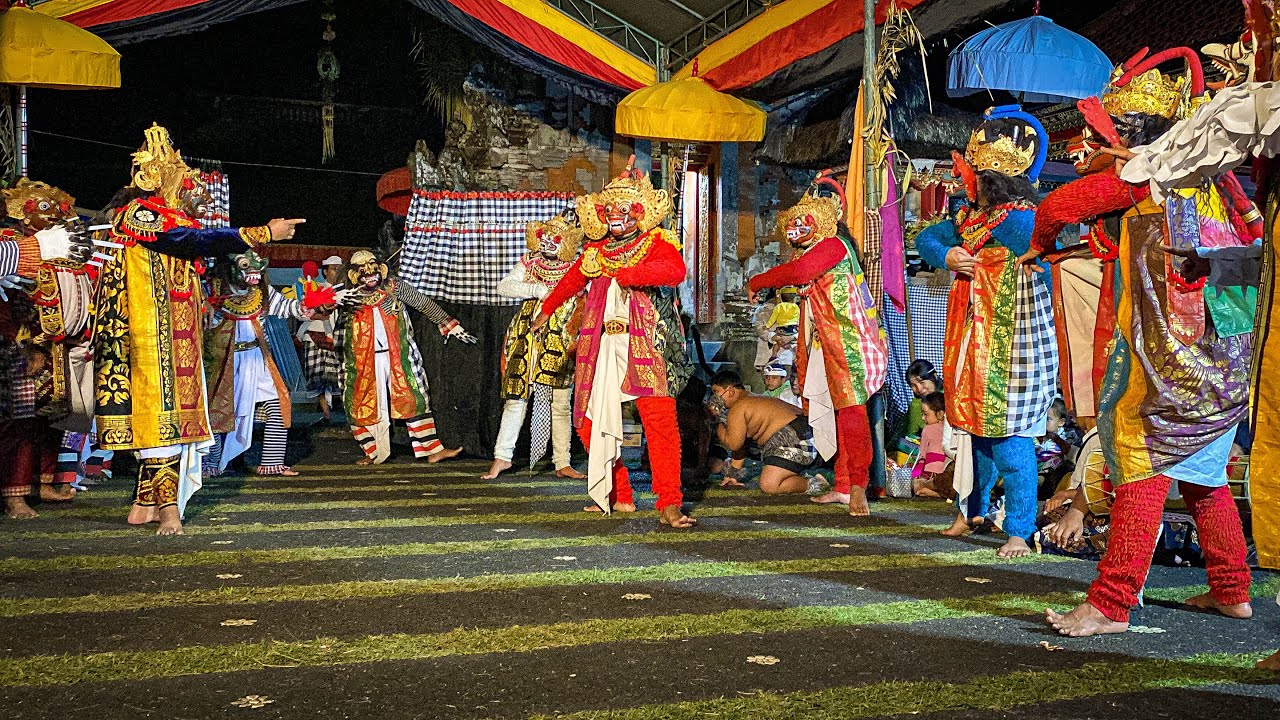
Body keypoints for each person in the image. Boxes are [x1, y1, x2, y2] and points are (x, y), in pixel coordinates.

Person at [1027, 49, 1257, 636]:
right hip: (1225, 362)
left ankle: (1111, 603)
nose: (1117, 138)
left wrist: (1043, 243)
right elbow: (1247, 264)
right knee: (1204, 476)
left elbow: (1059, 204)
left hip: (1170, 363)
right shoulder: (1226, 187)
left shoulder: (1151, 174)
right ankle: (1232, 591)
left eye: (1125, 128)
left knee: (1140, 465)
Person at [93, 124, 305, 535]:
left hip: (177, 339)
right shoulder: (141, 214)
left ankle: (143, 505)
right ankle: (170, 512)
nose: (199, 193)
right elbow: (188, 240)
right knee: (161, 422)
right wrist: (263, 233)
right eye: (190, 183)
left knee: (175, 421)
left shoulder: (164, 217)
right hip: (148, 337)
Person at [915, 107, 1058, 558]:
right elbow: (928, 240)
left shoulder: (1021, 219)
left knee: (1011, 441)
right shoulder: (967, 217)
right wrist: (949, 256)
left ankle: (1019, 528)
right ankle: (969, 510)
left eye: (977, 172)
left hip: (1013, 343)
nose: (969, 178)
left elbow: (1050, 258)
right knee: (972, 435)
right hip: (968, 339)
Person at [534, 160, 695, 528]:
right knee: (587, 420)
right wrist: (547, 309)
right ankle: (619, 492)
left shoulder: (656, 241)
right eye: (610, 211)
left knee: (659, 423)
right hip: (601, 344)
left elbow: (675, 271)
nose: (616, 217)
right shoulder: (596, 249)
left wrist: (628, 274)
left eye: (625, 210)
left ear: (639, 213)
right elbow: (574, 278)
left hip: (647, 344)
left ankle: (669, 501)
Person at [748, 185, 888, 516]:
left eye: (802, 224)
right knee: (838, 412)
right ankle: (842, 485)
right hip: (826, 341)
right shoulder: (817, 250)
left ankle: (857, 485)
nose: (795, 232)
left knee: (852, 413)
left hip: (850, 342)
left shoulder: (834, 246)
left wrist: (757, 282)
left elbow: (798, 273)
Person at [335, 249, 474, 465]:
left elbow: (423, 303)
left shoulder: (393, 287)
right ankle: (371, 451)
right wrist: (325, 302)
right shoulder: (347, 295)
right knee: (359, 401)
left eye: (373, 268)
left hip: (398, 355)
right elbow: (322, 311)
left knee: (414, 397)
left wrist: (448, 323)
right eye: (364, 271)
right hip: (362, 360)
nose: (370, 274)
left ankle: (432, 449)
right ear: (354, 275)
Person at [482, 213, 586, 481]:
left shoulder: (576, 265)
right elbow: (503, 287)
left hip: (562, 334)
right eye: (545, 237)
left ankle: (562, 461)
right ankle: (502, 456)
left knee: (560, 401)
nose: (549, 243)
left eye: (555, 238)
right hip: (526, 333)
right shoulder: (530, 262)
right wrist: (537, 289)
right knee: (517, 398)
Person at [204, 249, 317, 477]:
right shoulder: (213, 291)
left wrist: (304, 307)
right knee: (217, 412)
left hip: (257, 358)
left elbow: (287, 307)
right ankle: (210, 464)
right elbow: (206, 323)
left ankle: (272, 462)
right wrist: (209, 307)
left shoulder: (262, 292)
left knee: (278, 405)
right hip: (224, 361)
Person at [709, 370, 819, 495]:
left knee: (769, 485)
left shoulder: (739, 407)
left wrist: (715, 420)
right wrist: (732, 475)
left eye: (716, 392)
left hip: (797, 437)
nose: (714, 398)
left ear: (730, 391)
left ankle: (814, 483)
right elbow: (741, 444)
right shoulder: (751, 399)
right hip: (803, 434)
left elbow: (733, 444)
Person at [298, 257, 343, 423]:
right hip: (315, 335)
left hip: (337, 337)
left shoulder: (345, 291)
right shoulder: (316, 290)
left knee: (337, 377)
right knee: (317, 378)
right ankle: (326, 415)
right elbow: (305, 313)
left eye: (340, 268)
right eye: (333, 268)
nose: (337, 272)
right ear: (325, 271)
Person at [910, 392, 955, 499]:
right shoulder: (952, 429)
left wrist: (913, 476)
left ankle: (932, 491)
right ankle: (939, 493)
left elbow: (922, 457)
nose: (922, 418)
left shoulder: (927, 429)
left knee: (915, 486)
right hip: (948, 473)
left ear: (940, 414)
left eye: (926, 414)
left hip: (930, 474)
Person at [1036, 399, 1081, 498]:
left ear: (1061, 422)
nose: (1043, 423)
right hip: (1036, 470)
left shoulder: (1068, 436)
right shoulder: (1035, 436)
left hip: (1054, 473)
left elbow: (1072, 454)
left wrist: (1055, 438)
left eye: (1048, 419)